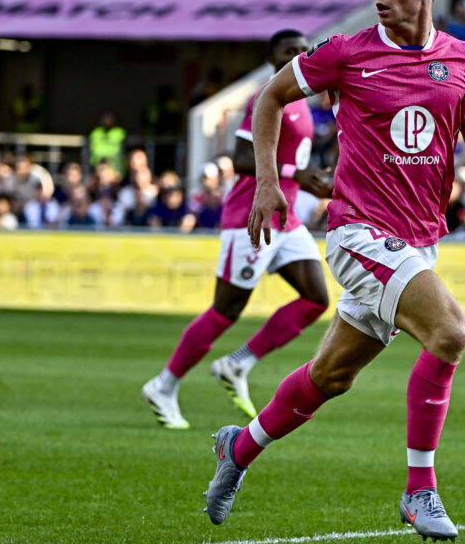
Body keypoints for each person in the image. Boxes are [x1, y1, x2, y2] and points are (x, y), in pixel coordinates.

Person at [202, 0, 465, 542]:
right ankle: (419, 491)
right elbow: (270, 98)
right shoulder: (346, 53)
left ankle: (237, 447)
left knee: (331, 378)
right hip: (359, 235)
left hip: (419, 240)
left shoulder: (462, 60)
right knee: (449, 333)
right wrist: (269, 182)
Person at [142, 30, 333, 429]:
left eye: (303, 49)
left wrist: (315, 178)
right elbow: (241, 158)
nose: (298, 55)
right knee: (226, 309)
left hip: (286, 218)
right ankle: (164, 384)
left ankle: (238, 363)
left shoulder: (302, 100)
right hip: (251, 214)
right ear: (271, 58)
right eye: (289, 51)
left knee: (316, 299)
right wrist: (297, 173)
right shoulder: (267, 96)